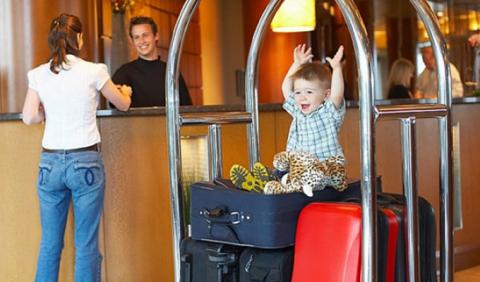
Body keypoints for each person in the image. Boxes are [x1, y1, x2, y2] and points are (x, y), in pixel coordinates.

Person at [22, 13, 131, 281]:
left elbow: (29, 117)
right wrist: (126, 91)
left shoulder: (38, 74)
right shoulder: (94, 70)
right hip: (85, 163)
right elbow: (122, 104)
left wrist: (48, 111)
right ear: (79, 38)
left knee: (49, 245)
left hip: (50, 165)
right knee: (85, 246)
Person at [112, 16, 192, 107]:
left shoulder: (171, 72)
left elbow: (186, 107)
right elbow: (113, 104)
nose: (141, 41)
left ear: (156, 36)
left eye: (145, 35)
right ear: (132, 42)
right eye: (136, 37)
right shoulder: (124, 72)